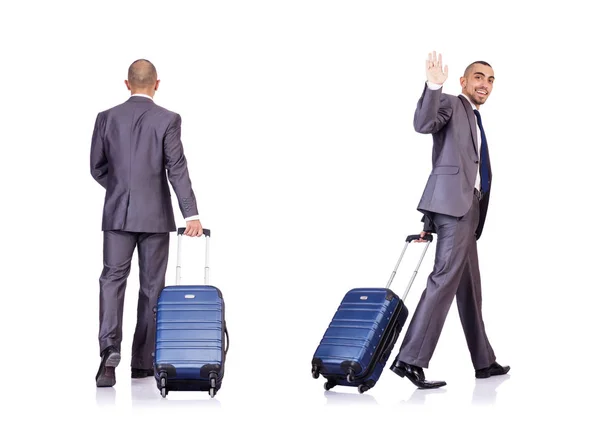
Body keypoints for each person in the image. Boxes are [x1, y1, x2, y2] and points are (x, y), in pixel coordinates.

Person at [389, 51, 510, 389]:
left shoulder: (475, 119)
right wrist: (432, 85)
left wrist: (431, 220)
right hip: (456, 211)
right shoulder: (452, 104)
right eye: (478, 77)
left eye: (490, 80)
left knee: (470, 289)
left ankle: (483, 362)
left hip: (465, 211)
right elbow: (423, 124)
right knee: (443, 280)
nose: (484, 84)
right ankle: (409, 359)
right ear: (463, 81)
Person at [90, 59, 203, 387]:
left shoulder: (106, 118)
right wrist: (191, 214)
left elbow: (97, 167)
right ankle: (142, 363)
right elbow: (176, 167)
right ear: (157, 84)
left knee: (112, 280)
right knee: (153, 287)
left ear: (127, 84)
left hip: (116, 215)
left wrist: (120, 192)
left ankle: (109, 350)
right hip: (155, 216)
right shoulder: (167, 119)